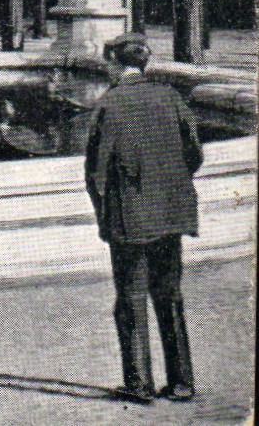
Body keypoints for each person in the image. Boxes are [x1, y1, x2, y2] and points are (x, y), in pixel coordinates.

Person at [85, 32, 202, 405]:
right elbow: (194, 153)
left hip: (130, 218)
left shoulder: (110, 104)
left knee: (131, 299)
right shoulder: (172, 96)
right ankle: (182, 382)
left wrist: (105, 216)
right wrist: (168, 186)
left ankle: (139, 383)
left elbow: (97, 173)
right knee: (170, 295)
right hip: (171, 212)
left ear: (115, 64)